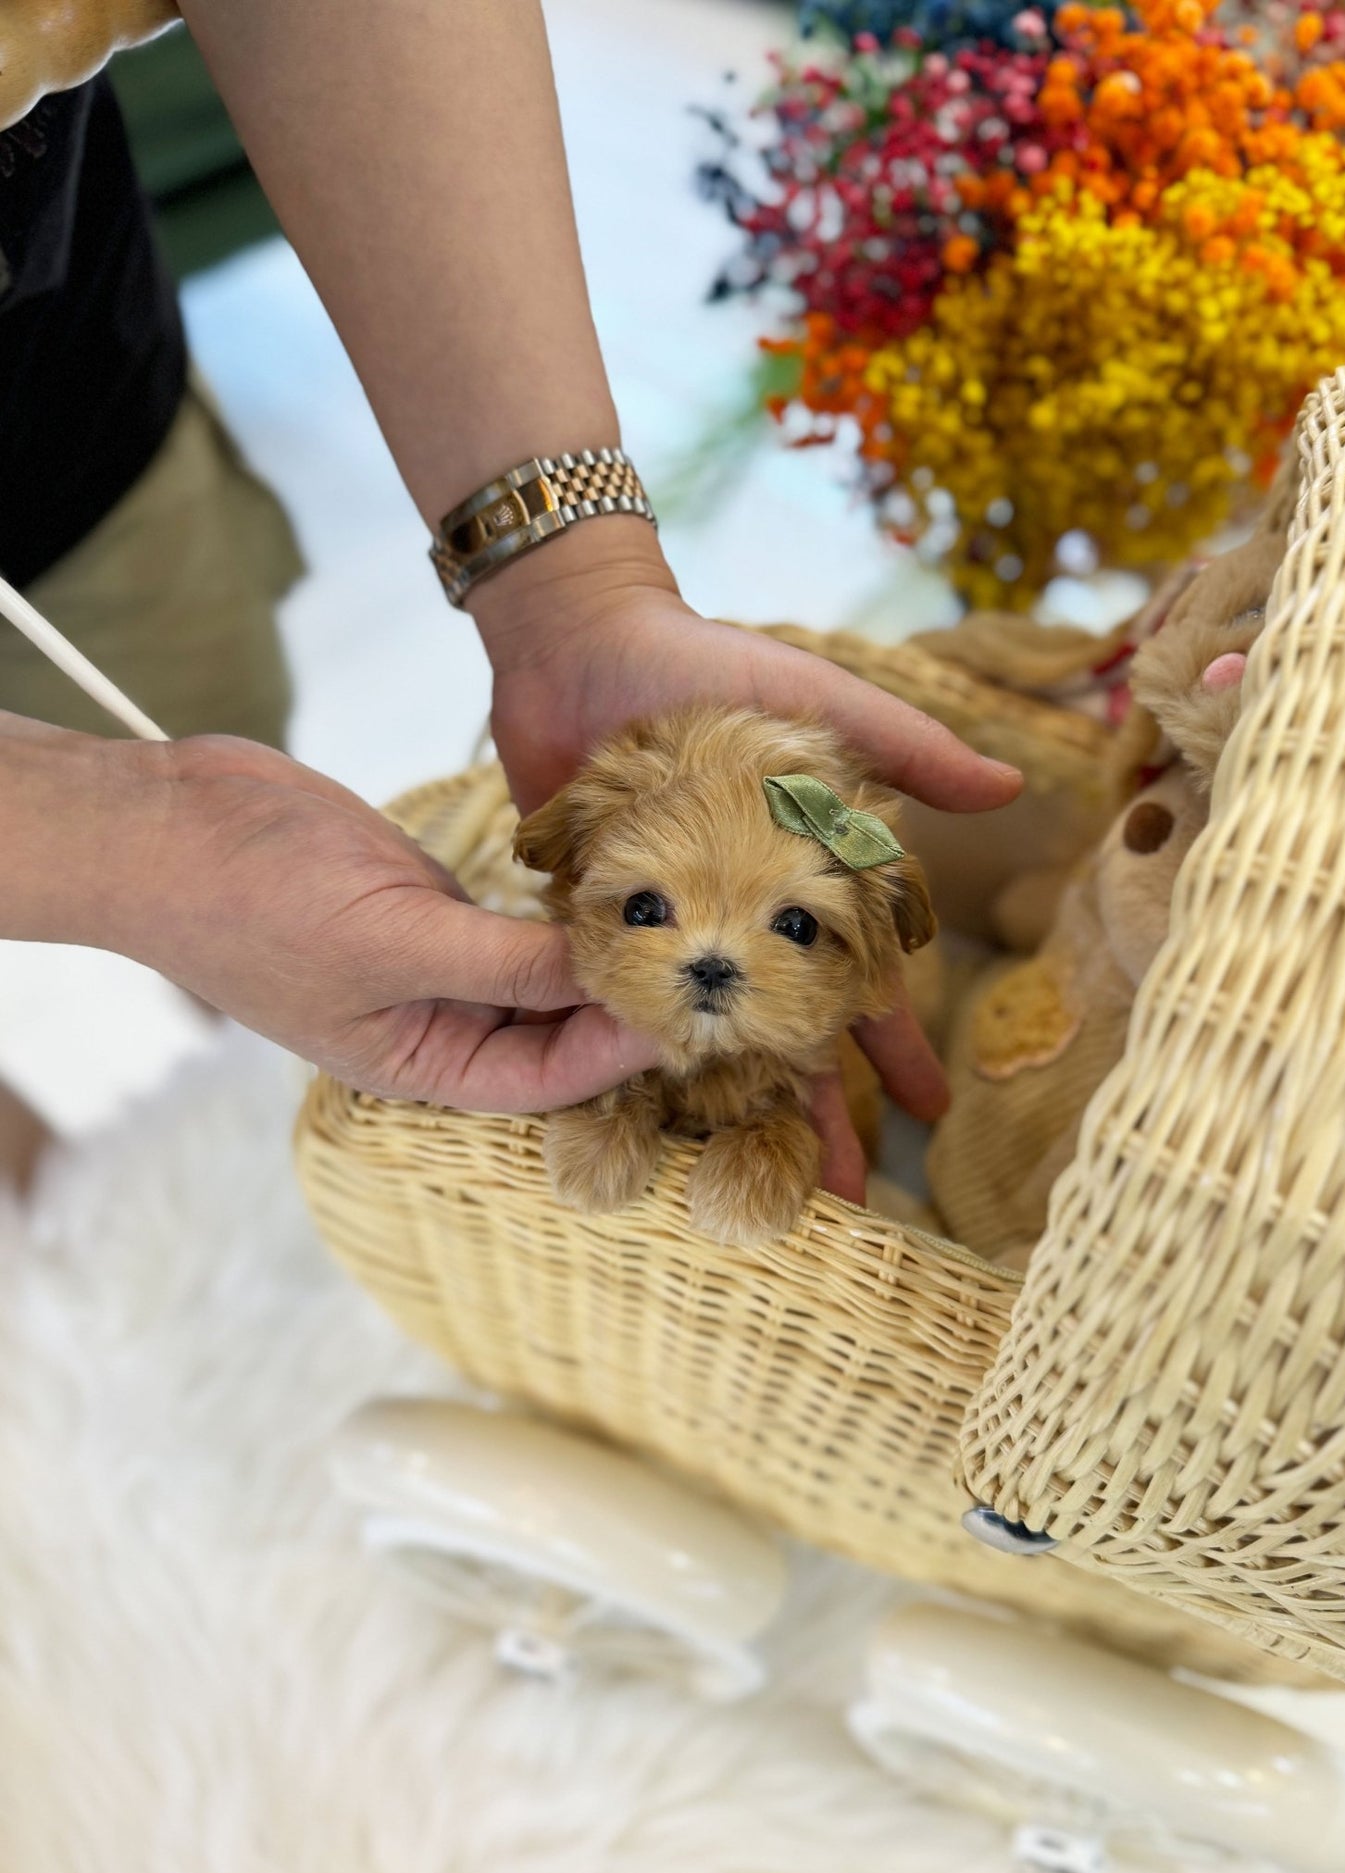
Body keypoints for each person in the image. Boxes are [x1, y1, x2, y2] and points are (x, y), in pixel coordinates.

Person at [0, 0, 1021, 1204]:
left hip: (56, 385)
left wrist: (575, 587)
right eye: (648, 905)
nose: (702, 960)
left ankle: (211, 1128)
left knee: (197, 682)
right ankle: (52, 1231)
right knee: (59, 1235)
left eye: (794, 926)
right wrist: (131, 848)